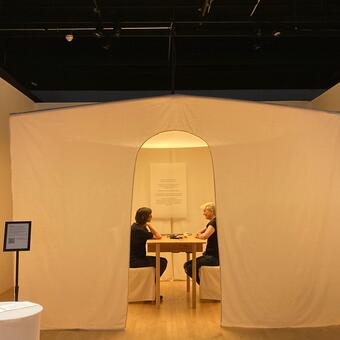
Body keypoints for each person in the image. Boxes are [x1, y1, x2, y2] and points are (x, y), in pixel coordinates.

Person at [183, 202, 219, 284]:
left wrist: (199, 235)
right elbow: (199, 233)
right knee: (187, 265)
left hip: (214, 257)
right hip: (211, 255)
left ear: (211, 211)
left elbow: (204, 236)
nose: (203, 214)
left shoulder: (214, 223)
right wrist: (199, 234)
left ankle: (205, 285)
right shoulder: (213, 222)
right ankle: (205, 286)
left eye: (205, 211)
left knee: (189, 267)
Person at [130, 207, 167, 276]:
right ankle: (154, 282)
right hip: (136, 261)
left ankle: (152, 281)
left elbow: (153, 236)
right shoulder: (139, 230)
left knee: (162, 261)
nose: (151, 216)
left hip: (136, 258)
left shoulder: (136, 226)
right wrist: (150, 225)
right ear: (144, 217)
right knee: (163, 262)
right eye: (150, 215)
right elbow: (158, 236)